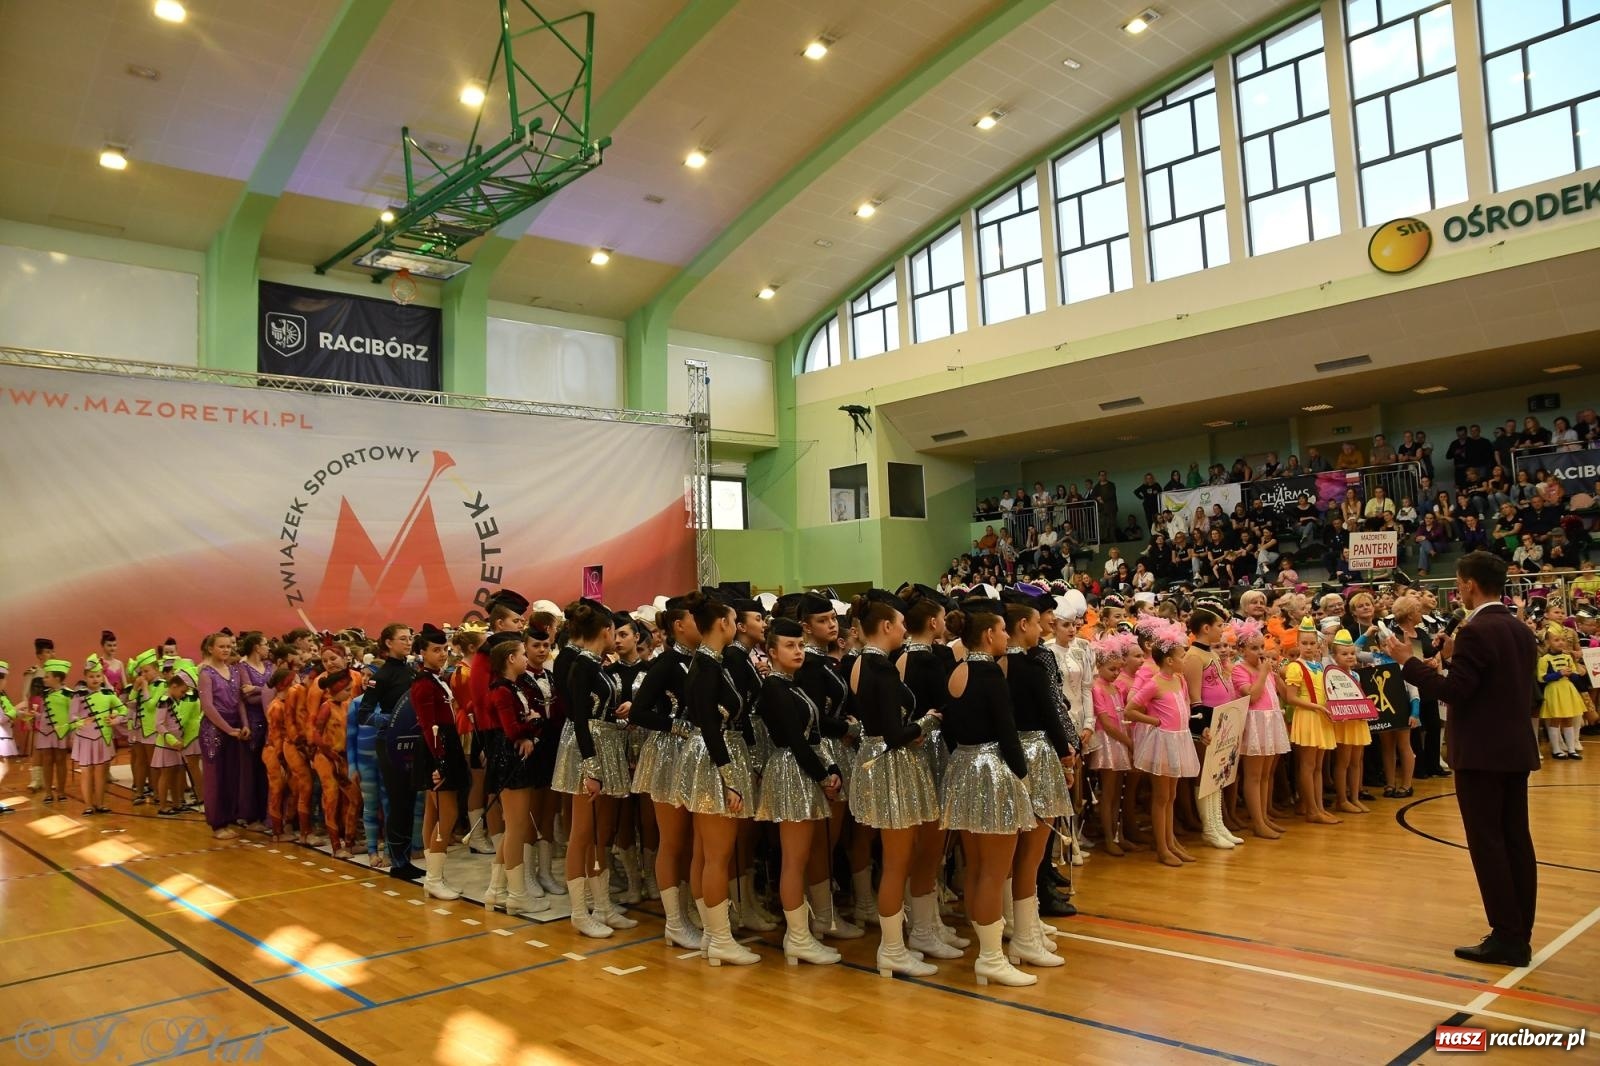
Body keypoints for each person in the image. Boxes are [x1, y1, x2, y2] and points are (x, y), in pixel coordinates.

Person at [1385, 551, 1539, 966]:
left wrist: (1407, 662)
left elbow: (1455, 693)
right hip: (1515, 747)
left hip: (1482, 752)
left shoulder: (1476, 630)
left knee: (1488, 843)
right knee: (1516, 840)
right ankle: (1519, 929)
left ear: (1469, 584)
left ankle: (1506, 936)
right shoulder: (1519, 629)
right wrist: (1453, 656)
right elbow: (1507, 687)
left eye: (1458, 581)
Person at [940, 600, 1035, 987]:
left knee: (977, 868)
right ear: (988, 635)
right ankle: (991, 958)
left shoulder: (956, 671)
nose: (1007, 636)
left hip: (962, 767)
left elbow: (949, 727)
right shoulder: (992, 675)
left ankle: (988, 955)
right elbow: (1007, 732)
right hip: (992, 770)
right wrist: (1023, 775)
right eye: (1002, 631)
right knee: (995, 872)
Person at [848, 592, 942, 978]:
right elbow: (892, 733)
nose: (905, 629)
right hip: (890, 766)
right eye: (901, 623)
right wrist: (926, 723)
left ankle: (897, 944)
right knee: (896, 863)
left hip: (878, 761)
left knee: (896, 859)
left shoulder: (861, 665)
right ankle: (890, 948)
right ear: (886, 626)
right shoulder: (882, 670)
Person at [753, 617, 843, 966]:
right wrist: (823, 775)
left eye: (801, 645)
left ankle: (802, 932)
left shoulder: (791, 685)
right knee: (794, 860)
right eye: (790, 646)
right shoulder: (774, 689)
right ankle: (797, 937)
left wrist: (830, 770)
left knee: (801, 857)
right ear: (772, 652)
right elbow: (793, 738)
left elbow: (812, 735)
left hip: (803, 767)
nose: (798, 651)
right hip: (791, 770)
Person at [411, 624, 468, 900]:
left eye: (444, 649)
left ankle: (434, 875)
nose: (442, 654)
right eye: (436, 650)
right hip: (437, 747)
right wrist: (439, 762)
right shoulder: (423, 684)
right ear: (422, 653)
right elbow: (428, 726)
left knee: (434, 813)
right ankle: (433, 877)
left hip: (444, 743)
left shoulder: (438, 679)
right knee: (447, 813)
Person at [1538, 627, 1585, 759]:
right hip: (1554, 690)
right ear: (1548, 642)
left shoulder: (1567, 657)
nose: (1560, 642)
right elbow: (1542, 678)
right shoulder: (1544, 659)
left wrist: (1572, 674)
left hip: (1567, 689)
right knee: (1556, 719)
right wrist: (1559, 674)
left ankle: (1571, 749)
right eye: (1556, 640)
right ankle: (1556, 749)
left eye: (1563, 640)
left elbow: (1575, 675)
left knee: (1568, 719)